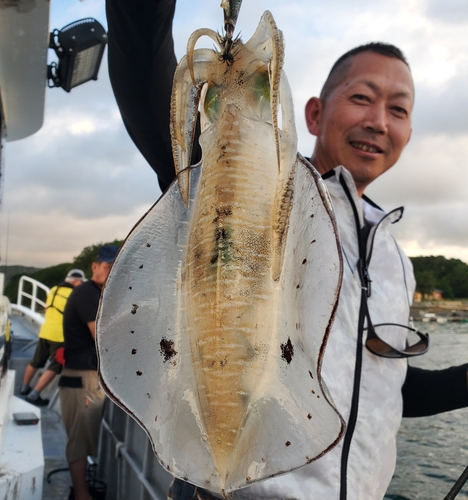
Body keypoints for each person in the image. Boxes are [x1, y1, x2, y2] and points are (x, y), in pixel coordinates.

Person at [105, 1, 468, 498]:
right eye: (362, 98)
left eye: (399, 109)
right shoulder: (246, 184)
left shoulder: (394, 260)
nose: (380, 121)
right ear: (314, 113)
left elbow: (383, 387)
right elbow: (144, 69)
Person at [58, 245, 118, 500]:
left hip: (87, 378)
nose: (110, 271)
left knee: (83, 438)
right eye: (107, 266)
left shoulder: (97, 294)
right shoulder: (87, 294)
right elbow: (101, 338)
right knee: (79, 442)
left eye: (115, 267)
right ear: (94, 267)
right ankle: (81, 495)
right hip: (82, 378)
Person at [20, 269, 86, 406]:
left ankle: (24, 388)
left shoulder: (53, 290)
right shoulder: (74, 294)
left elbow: (47, 309)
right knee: (56, 365)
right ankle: (34, 395)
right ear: (76, 281)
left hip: (45, 331)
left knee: (36, 361)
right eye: (81, 282)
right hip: (59, 336)